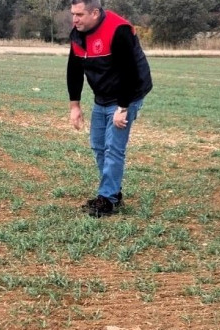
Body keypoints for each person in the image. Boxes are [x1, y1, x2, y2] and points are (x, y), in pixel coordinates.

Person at [67, 0, 152, 217]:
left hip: (128, 94)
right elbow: (74, 69)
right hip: (102, 96)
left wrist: (122, 108)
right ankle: (113, 192)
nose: (74, 19)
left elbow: (130, 73)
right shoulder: (78, 34)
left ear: (95, 12)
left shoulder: (118, 30)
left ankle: (107, 199)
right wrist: (74, 105)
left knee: (113, 148)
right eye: (73, 14)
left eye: (80, 14)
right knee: (98, 145)